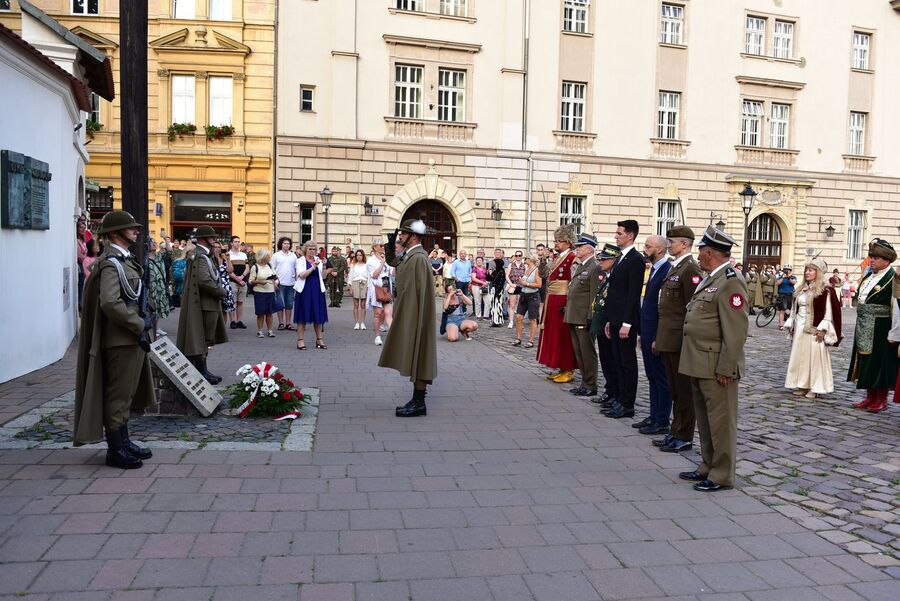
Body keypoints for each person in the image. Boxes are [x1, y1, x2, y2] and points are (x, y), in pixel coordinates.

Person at [74, 210, 155, 469]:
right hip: (120, 339)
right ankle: (115, 450)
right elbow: (110, 302)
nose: (136, 230)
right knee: (118, 395)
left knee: (126, 393)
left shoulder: (125, 260)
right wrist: (138, 323)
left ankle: (124, 441)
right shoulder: (111, 263)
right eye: (129, 227)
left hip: (130, 338)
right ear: (114, 233)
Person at [678, 226, 748, 492]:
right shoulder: (713, 278)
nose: (698, 256)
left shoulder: (731, 280)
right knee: (705, 420)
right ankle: (707, 465)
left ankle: (722, 474)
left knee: (721, 422)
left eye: (701, 252)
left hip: (716, 364)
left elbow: (735, 331)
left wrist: (727, 367)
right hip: (699, 361)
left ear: (709, 253)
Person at [380, 219, 437, 418]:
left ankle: (419, 402)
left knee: (419, 354)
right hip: (410, 312)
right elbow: (393, 262)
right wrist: (389, 247)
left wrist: (416, 319)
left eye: (403, 234)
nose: (400, 237)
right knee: (415, 354)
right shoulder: (410, 255)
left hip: (416, 315)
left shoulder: (419, 258)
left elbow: (420, 293)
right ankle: (417, 401)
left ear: (413, 236)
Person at [654, 226, 703, 454]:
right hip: (668, 336)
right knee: (675, 389)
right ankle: (675, 431)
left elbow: (690, 307)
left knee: (683, 391)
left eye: (671, 241)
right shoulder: (676, 267)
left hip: (679, 338)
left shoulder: (690, 268)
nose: (668, 245)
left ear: (684, 244)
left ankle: (684, 435)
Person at [848, 239, 898, 412]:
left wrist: (894, 332)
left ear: (886, 260)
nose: (872, 260)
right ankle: (869, 397)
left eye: (876, 258)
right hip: (864, 323)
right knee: (866, 361)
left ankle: (881, 399)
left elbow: (895, 305)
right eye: (871, 257)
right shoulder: (868, 276)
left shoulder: (893, 278)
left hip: (881, 325)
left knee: (880, 363)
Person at [601, 219, 645, 419]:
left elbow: (632, 294)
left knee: (627, 363)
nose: (616, 236)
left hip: (626, 321)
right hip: (616, 318)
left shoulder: (635, 259)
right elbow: (615, 293)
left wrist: (627, 323)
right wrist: (611, 320)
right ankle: (619, 398)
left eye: (619, 233)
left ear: (630, 235)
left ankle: (627, 404)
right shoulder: (621, 257)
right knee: (617, 361)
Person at [176, 225, 229, 384]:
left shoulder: (204, 254)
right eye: (211, 237)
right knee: (202, 339)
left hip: (207, 303)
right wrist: (222, 292)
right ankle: (201, 372)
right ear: (202, 239)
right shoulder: (200, 256)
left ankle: (202, 370)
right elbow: (204, 280)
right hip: (205, 304)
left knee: (203, 339)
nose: (214, 239)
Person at [784, 258, 842, 399]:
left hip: (815, 328)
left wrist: (823, 329)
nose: (806, 272)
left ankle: (815, 387)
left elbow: (829, 311)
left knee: (815, 358)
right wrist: (791, 323)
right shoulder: (801, 289)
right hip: (800, 327)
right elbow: (794, 308)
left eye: (810, 270)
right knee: (801, 356)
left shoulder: (825, 290)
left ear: (818, 272)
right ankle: (803, 385)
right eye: (806, 270)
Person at [632, 235, 673, 435]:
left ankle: (662, 419)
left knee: (661, 377)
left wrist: (658, 336)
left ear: (660, 250)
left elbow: (664, 309)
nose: (645, 249)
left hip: (658, 334)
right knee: (651, 376)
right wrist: (643, 332)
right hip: (648, 332)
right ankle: (653, 415)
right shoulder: (655, 269)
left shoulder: (667, 270)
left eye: (648, 246)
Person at [536, 226, 578, 383]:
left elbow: (574, 281)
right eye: (555, 240)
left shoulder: (573, 257)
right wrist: (542, 260)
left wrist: (569, 301)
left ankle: (568, 368)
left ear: (567, 242)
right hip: (551, 299)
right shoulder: (556, 258)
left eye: (558, 241)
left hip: (563, 298)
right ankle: (560, 366)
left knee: (563, 334)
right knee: (554, 334)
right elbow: (543, 274)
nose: (556, 244)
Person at [564, 234, 600, 396]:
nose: (577, 249)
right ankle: (585, 382)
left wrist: (591, 317)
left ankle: (591, 384)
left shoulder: (595, 267)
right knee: (579, 352)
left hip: (584, 318)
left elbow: (594, 295)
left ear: (589, 249)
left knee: (587, 352)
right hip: (574, 315)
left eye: (580, 246)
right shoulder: (582, 266)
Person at [590, 244, 621, 409]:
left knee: (612, 361)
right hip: (602, 325)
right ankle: (610, 391)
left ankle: (614, 392)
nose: (601, 261)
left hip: (609, 326)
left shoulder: (614, 277)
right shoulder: (608, 277)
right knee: (606, 361)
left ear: (614, 260)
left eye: (605, 259)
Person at [293, 242, 329, 350]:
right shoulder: (300, 261)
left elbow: (323, 276)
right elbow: (301, 275)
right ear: (305, 249)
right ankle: (300, 340)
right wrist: (313, 267)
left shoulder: (318, 260)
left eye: (314, 249)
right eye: (310, 249)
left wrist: (324, 266)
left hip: (317, 290)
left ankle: (319, 339)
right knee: (302, 315)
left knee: (318, 315)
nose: (312, 251)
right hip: (304, 291)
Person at [512, 254, 542, 348]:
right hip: (523, 295)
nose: (525, 260)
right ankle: (518, 338)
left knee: (532, 319)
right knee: (518, 317)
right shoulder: (526, 269)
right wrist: (520, 282)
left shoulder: (537, 270)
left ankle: (531, 340)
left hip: (533, 297)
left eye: (526, 258)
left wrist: (526, 283)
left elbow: (539, 285)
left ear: (531, 259)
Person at [249, 248, 278, 338]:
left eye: (268, 256)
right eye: (267, 256)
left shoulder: (270, 265)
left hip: (270, 291)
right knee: (260, 313)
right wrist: (260, 282)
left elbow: (275, 276)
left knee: (269, 312)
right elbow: (250, 281)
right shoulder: (255, 267)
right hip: (260, 292)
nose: (268, 258)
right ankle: (260, 331)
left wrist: (276, 282)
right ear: (261, 257)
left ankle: (270, 330)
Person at [367, 240, 393, 346]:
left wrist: (395, 264)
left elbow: (392, 273)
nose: (383, 247)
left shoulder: (387, 258)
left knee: (387, 312)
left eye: (384, 245)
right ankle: (377, 336)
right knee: (378, 313)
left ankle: (390, 332)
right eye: (381, 246)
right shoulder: (371, 261)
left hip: (387, 287)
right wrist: (382, 263)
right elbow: (374, 275)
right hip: (377, 288)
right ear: (375, 248)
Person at [271, 237, 297, 331]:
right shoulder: (276, 255)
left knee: (289, 304)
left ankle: (288, 323)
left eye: (288, 244)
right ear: (281, 244)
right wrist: (274, 281)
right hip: (280, 283)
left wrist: (297, 281)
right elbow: (272, 269)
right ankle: (281, 323)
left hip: (291, 283)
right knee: (280, 304)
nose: (286, 245)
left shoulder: (293, 255)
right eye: (284, 243)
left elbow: (296, 269)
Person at [147, 238, 171, 337]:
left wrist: (166, 239)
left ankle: (156, 327)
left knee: (159, 307)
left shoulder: (159, 255)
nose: (154, 244)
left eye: (155, 242)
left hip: (160, 286)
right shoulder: (144, 258)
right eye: (151, 243)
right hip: (151, 287)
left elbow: (169, 252)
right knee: (152, 308)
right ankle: (152, 328)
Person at [227, 236, 249, 329]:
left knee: (240, 302)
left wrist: (242, 277)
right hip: (232, 281)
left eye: (239, 242)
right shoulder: (228, 254)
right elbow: (228, 270)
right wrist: (237, 279)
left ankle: (239, 320)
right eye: (235, 241)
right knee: (232, 302)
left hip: (243, 281)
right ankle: (232, 321)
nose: (237, 243)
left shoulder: (243, 255)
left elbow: (247, 268)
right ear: (231, 243)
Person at [215, 243, 236, 324]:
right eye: (215, 247)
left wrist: (228, 259)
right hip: (215, 285)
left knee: (224, 310)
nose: (217, 249)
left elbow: (230, 270)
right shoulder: (210, 259)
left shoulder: (224, 258)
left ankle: (222, 330)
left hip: (225, 286)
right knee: (216, 309)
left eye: (219, 247)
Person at [348, 249, 369, 329]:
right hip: (355, 283)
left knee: (363, 305)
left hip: (364, 283)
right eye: (357, 255)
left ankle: (362, 322)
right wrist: (350, 287)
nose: (359, 256)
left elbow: (369, 277)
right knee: (356, 304)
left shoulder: (366, 265)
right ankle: (357, 322)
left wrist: (368, 288)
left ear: (363, 256)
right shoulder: (353, 265)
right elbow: (350, 276)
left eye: (360, 255)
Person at [505, 252, 526, 328]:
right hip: (513, 286)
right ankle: (511, 321)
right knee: (512, 305)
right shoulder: (511, 265)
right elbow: (507, 276)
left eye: (519, 255)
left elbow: (526, 276)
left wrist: (524, 282)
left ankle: (520, 322)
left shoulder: (524, 266)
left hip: (522, 287)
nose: (518, 257)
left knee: (521, 305)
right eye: (516, 255)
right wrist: (510, 283)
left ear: (521, 256)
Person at [488, 258, 507, 326]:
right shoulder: (495, 271)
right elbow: (489, 279)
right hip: (494, 290)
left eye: (495, 263)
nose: (494, 264)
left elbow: (501, 283)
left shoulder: (501, 271)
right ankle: (494, 320)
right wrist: (488, 272)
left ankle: (498, 321)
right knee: (493, 306)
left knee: (498, 305)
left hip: (498, 291)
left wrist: (497, 292)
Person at [76, 218, 88, 309]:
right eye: (80, 227)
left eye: (84, 227)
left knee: (83, 285)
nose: (83, 229)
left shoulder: (83, 241)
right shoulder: (76, 241)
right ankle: (80, 303)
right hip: (80, 266)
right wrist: (85, 257)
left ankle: (81, 302)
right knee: (80, 284)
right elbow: (80, 255)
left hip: (84, 265)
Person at [471, 256, 488, 320]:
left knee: (488, 301)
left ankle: (486, 316)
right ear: (476, 261)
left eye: (480, 260)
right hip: (476, 286)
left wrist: (486, 283)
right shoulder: (474, 268)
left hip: (485, 286)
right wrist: (482, 282)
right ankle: (478, 315)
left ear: (482, 261)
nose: (479, 262)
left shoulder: (485, 268)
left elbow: (487, 277)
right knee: (478, 302)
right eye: (477, 260)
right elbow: (473, 278)